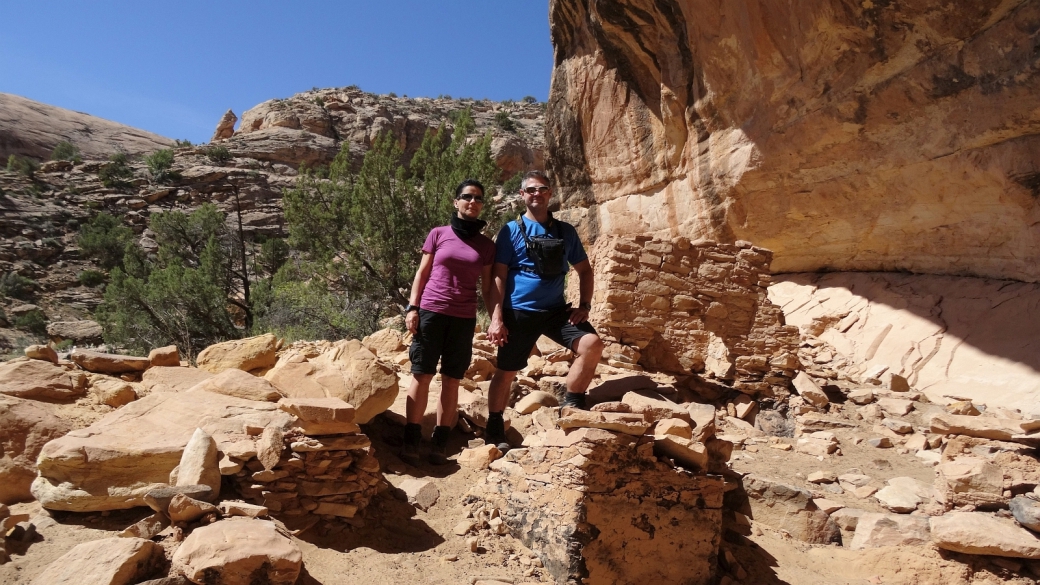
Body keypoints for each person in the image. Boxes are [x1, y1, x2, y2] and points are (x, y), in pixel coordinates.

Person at [485, 170, 603, 447]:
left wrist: (584, 305)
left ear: (550, 194)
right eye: (531, 190)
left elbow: (585, 271)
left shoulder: (565, 231)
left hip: (555, 311)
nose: (537, 194)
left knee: (592, 344)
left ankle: (572, 404)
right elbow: (499, 276)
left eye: (543, 189)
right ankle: (493, 426)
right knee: (507, 370)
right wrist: (496, 317)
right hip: (519, 311)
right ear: (522, 195)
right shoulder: (510, 230)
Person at [401, 178, 496, 465]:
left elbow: (488, 287)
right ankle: (411, 439)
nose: (473, 202)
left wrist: (496, 319)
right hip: (431, 311)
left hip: (463, 318)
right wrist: (412, 307)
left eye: (479, 198)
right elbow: (422, 273)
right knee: (422, 373)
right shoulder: (439, 234)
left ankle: (440, 443)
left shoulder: (486, 246)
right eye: (467, 197)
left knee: (452, 380)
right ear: (456, 202)